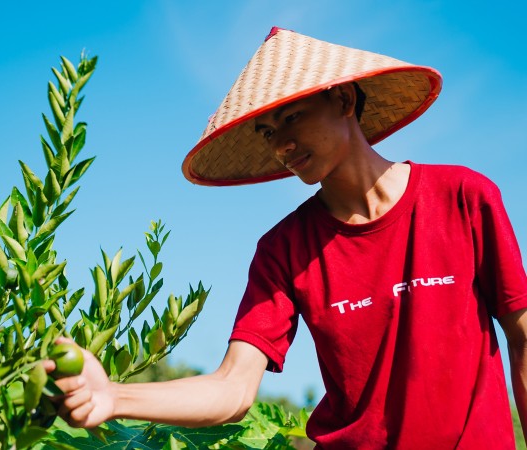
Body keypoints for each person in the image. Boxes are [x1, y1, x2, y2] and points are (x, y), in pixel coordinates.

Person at [45, 27, 527, 449]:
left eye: (291, 118)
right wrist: (112, 396)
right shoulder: (283, 250)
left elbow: (522, 337)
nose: (280, 145)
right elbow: (233, 388)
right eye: (267, 131)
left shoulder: (463, 197)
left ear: (343, 100)